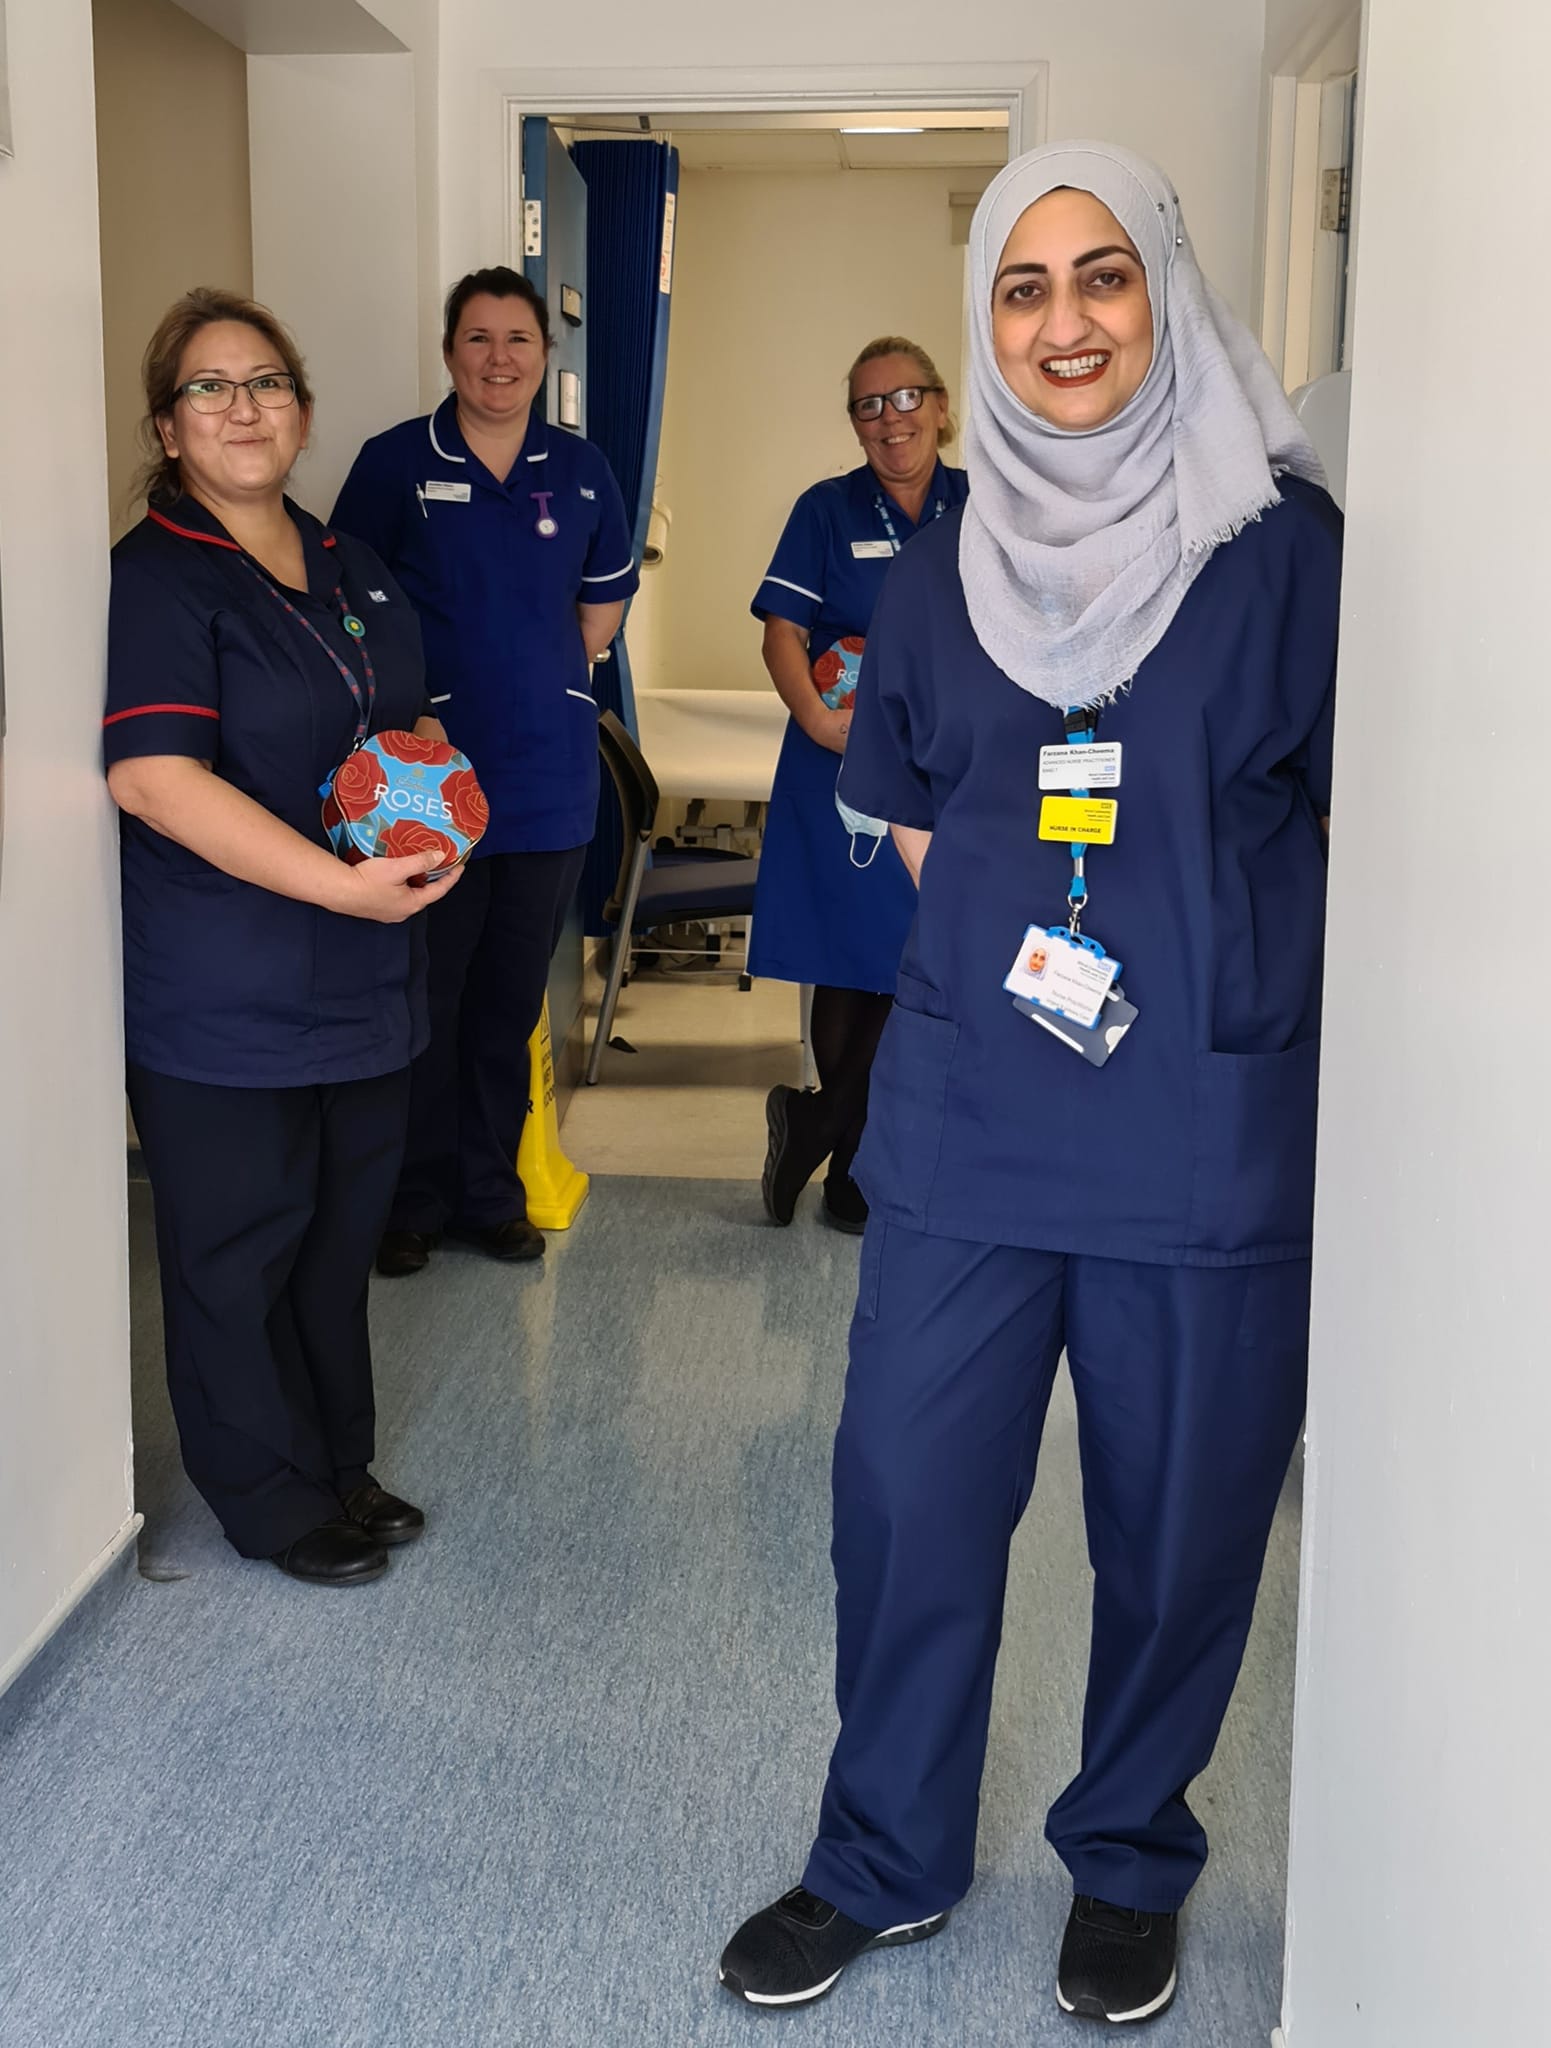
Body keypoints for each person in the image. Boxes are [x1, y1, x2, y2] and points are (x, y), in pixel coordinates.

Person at [719, 143, 1340, 2025]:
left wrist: (1192, 975)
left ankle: (1130, 1850)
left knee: (1177, 1523)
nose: (1063, 324)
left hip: (1199, 1139)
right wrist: (1030, 964)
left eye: (1101, 280)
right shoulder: (934, 571)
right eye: (1022, 288)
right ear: (990, 323)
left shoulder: (1279, 555)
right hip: (977, 1122)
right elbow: (909, 811)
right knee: (905, 1489)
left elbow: (1355, 820)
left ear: (1163, 293)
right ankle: (882, 1851)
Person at [106, 289, 457, 1586]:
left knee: (330, 1243)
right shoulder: (154, 577)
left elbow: (397, 741)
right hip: (227, 990)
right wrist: (338, 885)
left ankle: (336, 1464)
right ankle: (263, 1494)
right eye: (209, 386)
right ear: (167, 422)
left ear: (302, 411)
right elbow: (153, 779)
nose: (242, 406)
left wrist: (430, 809)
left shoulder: (350, 564)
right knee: (235, 1251)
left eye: (265, 382)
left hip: (364, 975)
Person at [331, 268, 638, 1279]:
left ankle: (491, 1195)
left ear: (544, 354)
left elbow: (599, 613)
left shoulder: (583, 469)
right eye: (477, 338)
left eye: (517, 338)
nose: (498, 357)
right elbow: (351, 612)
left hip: (549, 778)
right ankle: (411, 1203)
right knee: (431, 997)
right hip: (429, 786)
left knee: (508, 1006)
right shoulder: (393, 465)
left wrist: (543, 683)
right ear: (448, 350)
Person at [752, 338, 968, 1236]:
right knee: (851, 962)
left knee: (908, 959)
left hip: (944, 771)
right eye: (868, 405)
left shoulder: (983, 507)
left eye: (905, 396)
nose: (890, 418)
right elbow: (781, 631)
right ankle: (851, 1170)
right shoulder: (825, 510)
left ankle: (818, 1123)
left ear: (941, 407)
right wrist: (815, 718)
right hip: (838, 764)